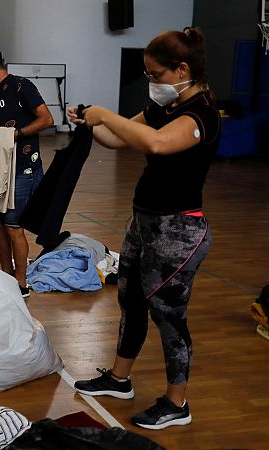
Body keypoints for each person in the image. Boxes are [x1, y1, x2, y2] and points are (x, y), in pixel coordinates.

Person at [71, 28, 220, 430]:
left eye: (156, 74)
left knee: (169, 314)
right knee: (131, 300)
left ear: (182, 69)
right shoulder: (164, 107)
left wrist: (106, 114)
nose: (151, 82)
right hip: (144, 222)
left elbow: (156, 144)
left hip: (179, 231)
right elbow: (117, 140)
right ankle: (119, 379)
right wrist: (89, 122)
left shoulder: (202, 113)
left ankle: (177, 403)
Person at [0, 44, 54, 297]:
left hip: (23, 168)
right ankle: (5, 274)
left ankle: (21, 282)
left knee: (14, 226)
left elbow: (47, 120)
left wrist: (17, 134)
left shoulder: (22, 86)